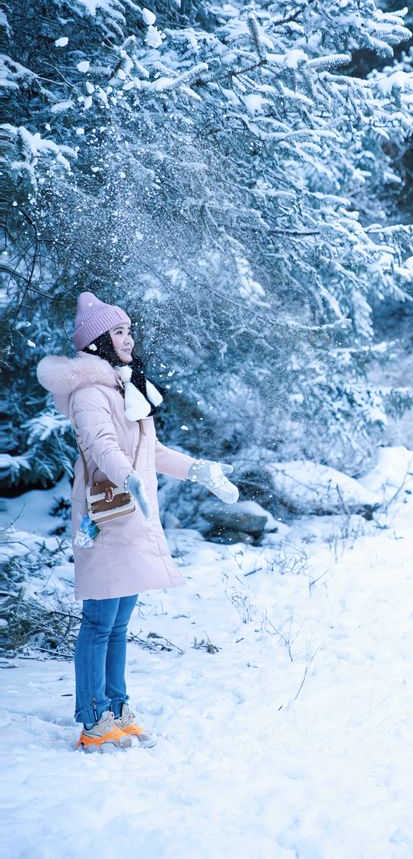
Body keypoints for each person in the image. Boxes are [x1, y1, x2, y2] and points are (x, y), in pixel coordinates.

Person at [36, 291, 239, 752]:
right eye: (120, 331)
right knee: (99, 621)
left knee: (119, 622)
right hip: (108, 518)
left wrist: (199, 470)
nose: (129, 338)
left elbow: (154, 453)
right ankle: (93, 718)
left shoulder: (124, 390)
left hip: (133, 516)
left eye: (129, 330)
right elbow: (102, 444)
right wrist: (127, 477)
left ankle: (117, 706)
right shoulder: (90, 394)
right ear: (99, 342)